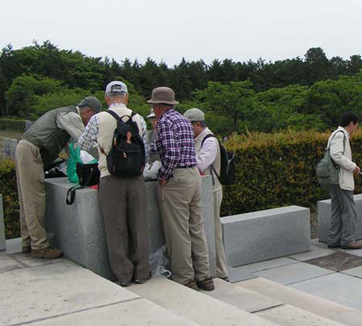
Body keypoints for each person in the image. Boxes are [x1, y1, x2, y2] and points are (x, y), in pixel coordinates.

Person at [78, 81, 151, 286]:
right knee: (139, 226)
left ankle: (124, 275)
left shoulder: (98, 118)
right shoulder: (139, 118)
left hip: (110, 178)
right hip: (136, 179)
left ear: (107, 98)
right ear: (127, 97)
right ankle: (141, 272)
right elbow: (144, 150)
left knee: (115, 228)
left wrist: (102, 148)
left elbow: (82, 144)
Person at [15, 96, 101, 258]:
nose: (92, 123)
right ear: (87, 111)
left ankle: (28, 242)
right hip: (32, 151)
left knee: (26, 199)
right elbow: (85, 142)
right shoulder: (71, 116)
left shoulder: (65, 114)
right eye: (93, 117)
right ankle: (40, 247)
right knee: (35, 200)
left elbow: (72, 151)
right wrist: (106, 158)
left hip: (27, 149)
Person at [148, 87, 214, 291]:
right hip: (193, 176)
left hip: (177, 180)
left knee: (178, 231)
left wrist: (164, 176)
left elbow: (172, 153)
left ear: (158, 106)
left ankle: (185, 278)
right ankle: (204, 276)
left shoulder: (165, 122)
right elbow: (171, 147)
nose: (152, 109)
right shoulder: (183, 120)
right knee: (196, 228)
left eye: (152, 105)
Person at [184, 108, 229, 281]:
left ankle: (220, 271)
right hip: (201, 190)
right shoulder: (196, 139)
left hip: (212, 190)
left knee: (214, 231)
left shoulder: (209, 141)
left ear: (197, 124)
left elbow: (200, 164)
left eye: (189, 126)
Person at [326, 112, 362, 250]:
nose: (355, 129)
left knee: (336, 208)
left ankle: (334, 239)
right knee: (349, 209)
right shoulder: (341, 135)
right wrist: (353, 166)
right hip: (341, 179)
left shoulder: (335, 134)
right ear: (351, 123)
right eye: (356, 126)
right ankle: (348, 239)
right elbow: (336, 154)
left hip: (334, 179)